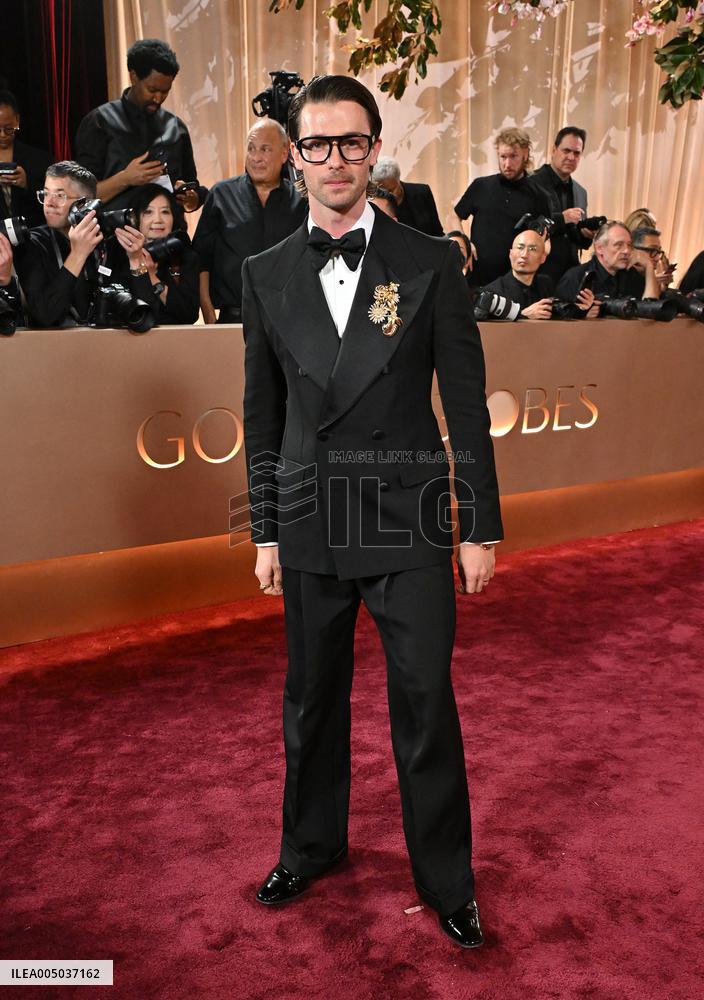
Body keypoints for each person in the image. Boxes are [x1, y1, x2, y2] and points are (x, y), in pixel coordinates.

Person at [243, 74, 502, 950]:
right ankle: (310, 846)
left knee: (426, 701)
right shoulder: (265, 273)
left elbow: (465, 406)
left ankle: (446, 880)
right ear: (296, 154)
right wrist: (268, 529)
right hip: (312, 515)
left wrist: (481, 524)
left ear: (375, 146)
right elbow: (262, 412)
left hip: (411, 516)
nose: (334, 160)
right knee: (311, 702)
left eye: (351, 142)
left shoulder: (430, 260)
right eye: (316, 144)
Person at [193, 119, 307, 324]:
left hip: (288, 321)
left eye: (265, 149)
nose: (256, 158)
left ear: (284, 154)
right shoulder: (221, 194)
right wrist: (208, 313)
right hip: (233, 320)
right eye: (251, 149)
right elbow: (201, 258)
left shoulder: (301, 201)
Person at [75, 38, 206, 214]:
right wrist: (125, 178)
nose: (158, 98)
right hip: (116, 235)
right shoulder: (100, 121)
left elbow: (192, 186)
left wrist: (191, 198)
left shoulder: (176, 127)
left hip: (169, 235)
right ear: (134, 76)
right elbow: (81, 197)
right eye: (152, 90)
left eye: (165, 91)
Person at [453, 127, 549, 287]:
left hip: (515, 284)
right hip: (477, 279)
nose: (507, 164)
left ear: (525, 154)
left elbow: (545, 239)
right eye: (503, 156)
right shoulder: (481, 186)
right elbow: (454, 216)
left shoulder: (539, 195)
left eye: (513, 156)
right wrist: (463, 243)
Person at [15, 161, 104, 327]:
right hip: (49, 348)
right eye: (46, 193)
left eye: (60, 196)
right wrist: (78, 254)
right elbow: (44, 314)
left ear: (83, 204)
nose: (49, 202)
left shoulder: (103, 242)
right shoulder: (31, 244)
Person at [112, 183, 200, 325]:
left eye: (165, 212)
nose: (158, 220)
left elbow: (189, 315)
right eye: (148, 212)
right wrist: (138, 264)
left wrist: (153, 277)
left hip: (175, 341)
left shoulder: (185, 257)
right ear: (134, 218)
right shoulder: (120, 255)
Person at [479, 228, 597, 321]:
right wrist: (522, 315)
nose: (524, 255)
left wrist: (582, 309)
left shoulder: (545, 284)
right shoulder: (493, 292)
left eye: (532, 249)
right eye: (520, 248)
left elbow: (558, 315)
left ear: (543, 258)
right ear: (510, 254)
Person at [530, 127, 598, 282]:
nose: (571, 157)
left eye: (576, 153)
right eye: (566, 150)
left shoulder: (581, 192)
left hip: (570, 276)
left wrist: (586, 234)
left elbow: (577, 240)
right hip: (537, 275)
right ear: (554, 150)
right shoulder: (531, 183)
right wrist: (562, 218)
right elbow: (526, 227)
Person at [555, 221, 661, 302]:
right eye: (619, 245)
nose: (627, 251)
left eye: (629, 245)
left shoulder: (632, 276)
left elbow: (651, 311)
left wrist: (649, 266)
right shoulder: (575, 277)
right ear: (599, 248)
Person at [0, 90, 51, 227]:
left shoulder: (38, 159)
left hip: (31, 237)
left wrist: (27, 184)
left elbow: (55, 202)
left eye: (9, 129)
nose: (3, 135)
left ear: (17, 120)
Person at [371, 156, 443, 235]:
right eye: (383, 191)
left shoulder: (422, 193)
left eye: (391, 190)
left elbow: (437, 232)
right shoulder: (374, 204)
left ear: (398, 179)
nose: (388, 195)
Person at [631, 226, 675, 294]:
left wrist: (662, 284)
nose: (657, 258)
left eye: (658, 251)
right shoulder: (622, 278)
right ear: (634, 250)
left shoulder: (648, 275)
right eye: (652, 250)